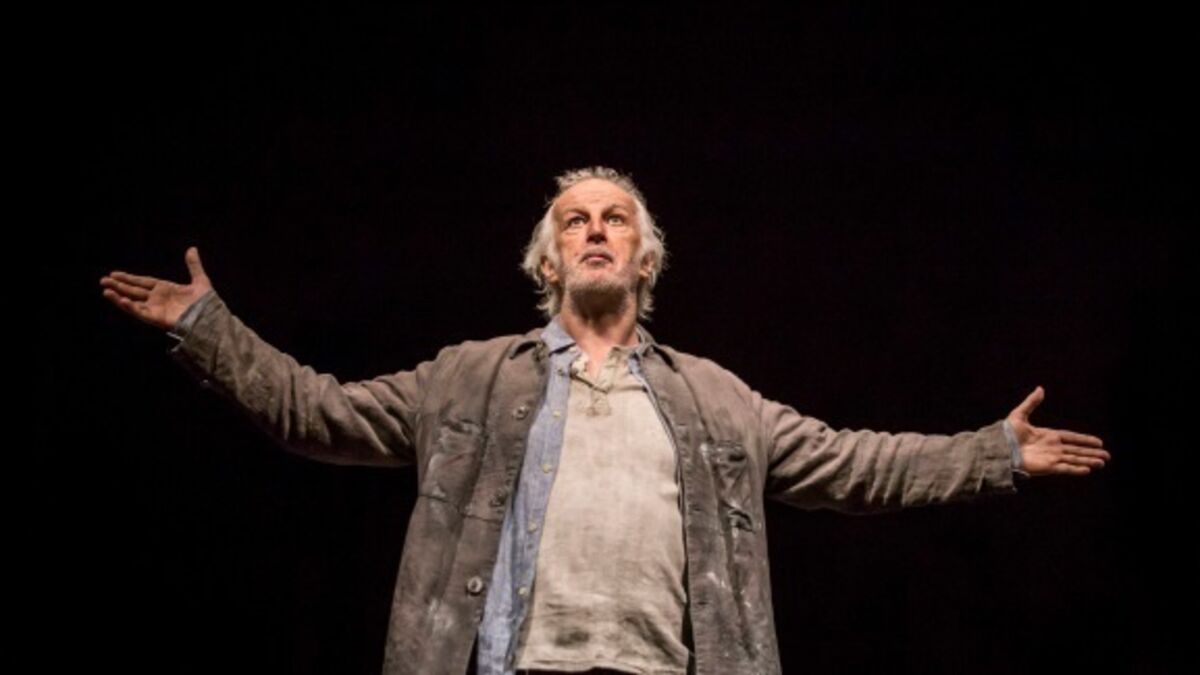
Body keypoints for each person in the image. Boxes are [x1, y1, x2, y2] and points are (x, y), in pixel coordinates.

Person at [99, 166, 1109, 675]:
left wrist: (994, 453)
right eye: (574, 221)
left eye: (613, 218)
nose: (594, 229)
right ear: (548, 260)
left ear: (644, 257)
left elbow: (856, 464)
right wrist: (207, 329)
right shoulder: (467, 379)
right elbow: (313, 411)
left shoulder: (716, 399)